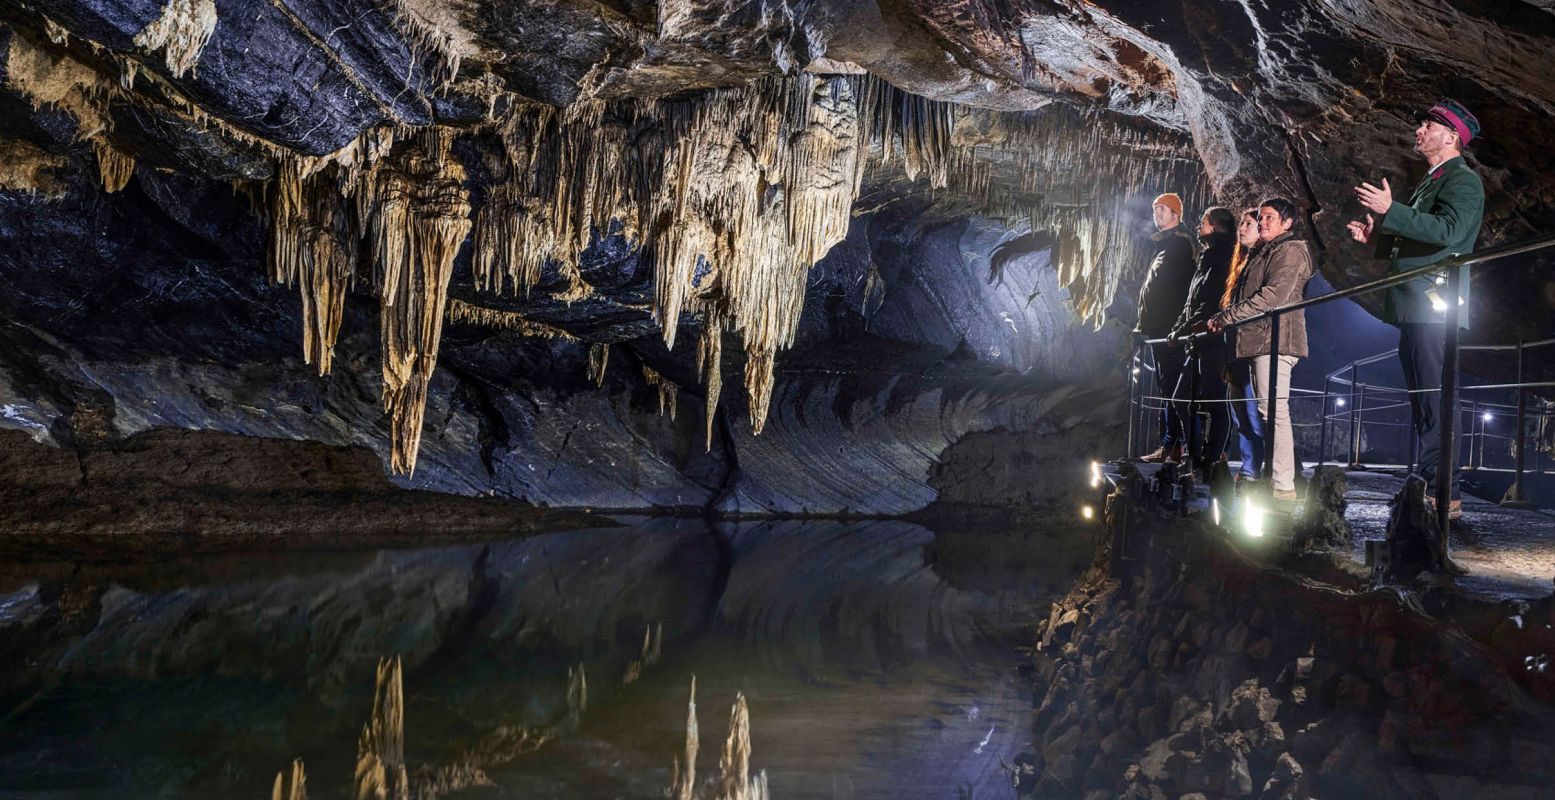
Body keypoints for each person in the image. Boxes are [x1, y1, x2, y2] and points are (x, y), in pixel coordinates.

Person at [1350, 99, 1484, 521]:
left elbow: (1449, 232)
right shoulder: (1434, 179)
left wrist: (1392, 211)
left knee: (1437, 400)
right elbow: (1421, 234)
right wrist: (1378, 236)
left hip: (1434, 303)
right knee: (1425, 399)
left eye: (1428, 125)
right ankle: (1430, 484)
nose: (1420, 130)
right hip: (1419, 303)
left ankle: (1446, 494)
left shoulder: (1463, 180)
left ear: (1451, 136)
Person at [1209, 198, 1315, 502]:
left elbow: (1274, 295)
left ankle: (1282, 484)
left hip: (1277, 340)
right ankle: (1274, 477)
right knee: (1264, 412)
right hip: (1259, 340)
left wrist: (1226, 317)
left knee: (1274, 411)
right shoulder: (1263, 253)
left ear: (1287, 223)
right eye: (1261, 217)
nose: (1263, 222)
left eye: (1270, 217)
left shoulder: (1292, 251)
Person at [1168, 207, 1237, 478]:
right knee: (1181, 398)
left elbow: (1211, 298)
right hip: (1197, 338)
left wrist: (1188, 327)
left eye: (1203, 224)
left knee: (1216, 402)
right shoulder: (1207, 257)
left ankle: (1209, 460)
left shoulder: (1223, 257)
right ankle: (1197, 456)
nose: (1198, 227)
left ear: (1217, 228)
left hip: (1214, 338)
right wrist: (1179, 328)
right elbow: (1192, 301)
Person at [1134, 192, 1198, 463]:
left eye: (1163, 209)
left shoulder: (1180, 244)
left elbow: (1175, 289)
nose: (1157, 213)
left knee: (1173, 387)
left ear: (1176, 214)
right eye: (1155, 209)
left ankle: (1176, 446)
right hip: (1160, 328)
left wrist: (1175, 325)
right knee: (1167, 387)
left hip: (1171, 330)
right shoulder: (1165, 245)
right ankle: (1171, 445)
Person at [1222, 209, 1264, 484]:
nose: (1242, 227)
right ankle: (1250, 468)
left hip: (1252, 346)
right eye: (1241, 223)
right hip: (1234, 348)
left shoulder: (1262, 260)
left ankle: (1262, 469)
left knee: (1254, 413)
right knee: (1241, 415)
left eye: (1249, 223)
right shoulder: (1240, 263)